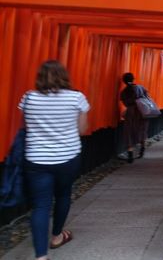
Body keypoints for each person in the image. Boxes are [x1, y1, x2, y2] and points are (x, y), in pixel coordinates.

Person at [18, 60, 90, 260]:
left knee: (40, 205)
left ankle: (41, 256)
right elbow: (82, 130)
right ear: (64, 76)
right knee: (63, 195)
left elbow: (25, 125)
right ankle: (57, 236)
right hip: (67, 157)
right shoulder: (77, 98)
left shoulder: (29, 97)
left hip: (36, 158)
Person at [119, 72, 149, 163]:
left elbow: (125, 103)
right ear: (133, 79)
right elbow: (147, 98)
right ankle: (142, 150)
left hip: (131, 113)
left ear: (123, 81)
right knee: (142, 130)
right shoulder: (141, 88)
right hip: (142, 111)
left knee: (129, 132)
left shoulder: (124, 92)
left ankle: (130, 155)